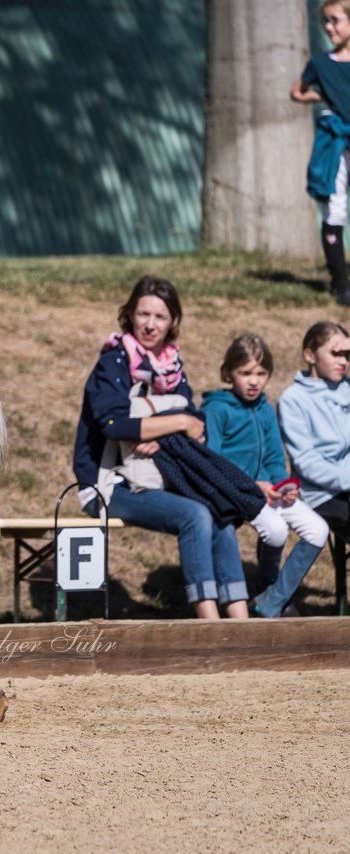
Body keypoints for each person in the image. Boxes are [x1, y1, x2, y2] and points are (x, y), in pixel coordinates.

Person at [72, 276, 250, 619]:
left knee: (219, 512)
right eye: (143, 314)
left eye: (160, 317)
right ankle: (210, 625)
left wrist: (162, 431)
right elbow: (114, 425)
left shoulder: (171, 366)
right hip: (109, 484)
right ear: (130, 315)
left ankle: (241, 623)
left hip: (163, 475)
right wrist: (177, 424)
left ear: (174, 323)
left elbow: (195, 418)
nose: (150, 325)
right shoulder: (113, 362)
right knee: (194, 514)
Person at [203, 334, 329, 618]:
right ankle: (268, 587)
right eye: (245, 373)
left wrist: (285, 485)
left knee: (318, 530)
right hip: (235, 492)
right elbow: (213, 460)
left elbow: (274, 457)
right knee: (275, 531)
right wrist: (252, 486)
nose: (253, 381)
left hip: (269, 491)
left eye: (261, 373)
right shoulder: (216, 408)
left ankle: (271, 599)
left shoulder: (265, 409)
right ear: (227, 373)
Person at [279, 321, 350, 605]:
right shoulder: (293, 400)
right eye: (335, 353)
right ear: (310, 355)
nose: (343, 361)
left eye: (347, 355)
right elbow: (306, 463)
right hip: (320, 493)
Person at [292, 0, 350, 304]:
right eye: (326, 22)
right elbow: (297, 92)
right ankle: (341, 284)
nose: (329, 27)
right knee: (335, 207)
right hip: (335, 143)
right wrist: (324, 95)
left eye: (336, 20)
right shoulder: (321, 63)